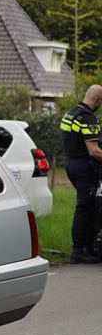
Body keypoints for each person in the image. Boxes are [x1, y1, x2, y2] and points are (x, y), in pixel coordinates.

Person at [60, 83, 102, 264]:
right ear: (98, 99)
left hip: (71, 163)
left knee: (88, 206)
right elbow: (94, 151)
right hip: (85, 167)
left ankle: (87, 247)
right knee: (85, 208)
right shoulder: (87, 118)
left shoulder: (70, 113)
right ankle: (79, 251)